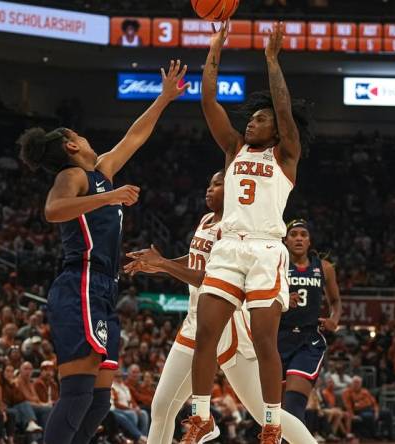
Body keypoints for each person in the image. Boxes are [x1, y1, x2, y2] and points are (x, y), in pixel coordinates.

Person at [15, 60, 188, 444]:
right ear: (71, 145)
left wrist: (163, 100)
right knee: (77, 393)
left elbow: (134, 137)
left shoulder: (101, 171)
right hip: (81, 281)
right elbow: (52, 211)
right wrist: (110, 196)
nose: (92, 141)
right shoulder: (72, 176)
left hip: (105, 288)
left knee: (99, 401)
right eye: (82, 136)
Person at [183, 20, 313, 444]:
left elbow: (284, 110)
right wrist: (214, 49)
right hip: (228, 248)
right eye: (252, 119)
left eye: (261, 119)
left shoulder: (286, 154)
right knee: (206, 333)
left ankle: (272, 421)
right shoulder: (233, 149)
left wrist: (271, 59)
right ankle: (201, 416)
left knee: (263, 340)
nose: (252, 123)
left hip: (264, 250)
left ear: (276, 129)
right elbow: (208, 101)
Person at [124, 172, 315, 444]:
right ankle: (207, 426)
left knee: (265, 414)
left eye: (217, 184)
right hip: (195, 321)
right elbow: (195, 261)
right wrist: (160, 263)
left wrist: (165, 265)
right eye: (209, 182)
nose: (209, 189)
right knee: (162, 406)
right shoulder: (205, 220)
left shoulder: (236, 229)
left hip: (226, 326)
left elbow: (211, 278)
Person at [279, 218, 341, 423]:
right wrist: (281, 299)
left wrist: (334, 319)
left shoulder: (324, 268)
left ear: (309, 241)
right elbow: (256, 296)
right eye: (293, 234)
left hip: (308, 340)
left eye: (303, 235)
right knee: (273, 412)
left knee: (293, 406)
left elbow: (335, 301)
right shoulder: (274, 265)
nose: (298, 238)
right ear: (285, 240)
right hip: (276, 337)